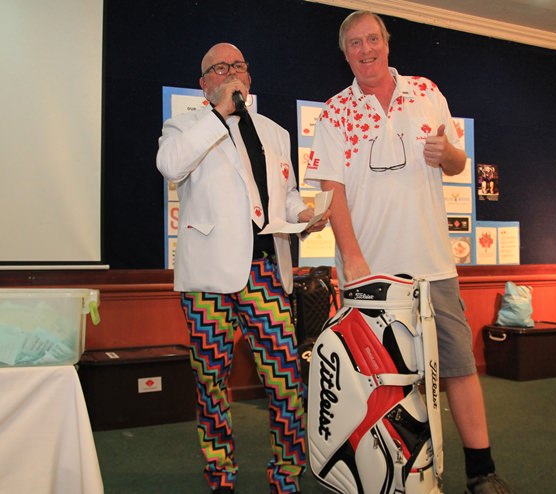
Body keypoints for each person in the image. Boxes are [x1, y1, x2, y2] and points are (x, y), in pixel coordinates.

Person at [304, 11, 512, 494]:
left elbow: (456, 160)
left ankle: (481, 471)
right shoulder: (334, 112)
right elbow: (332, 191)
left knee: (458, 367)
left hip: (433, 266)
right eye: (355, 43)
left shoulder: (426, 91)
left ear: (387, 42)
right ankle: (390, 473)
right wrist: (353, 261)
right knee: (380, 380)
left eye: (372, 39)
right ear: (345, 54)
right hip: (371, 276)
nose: (366, 49)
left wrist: (449, 156)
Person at [157, 42, 328, 494]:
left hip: (266, 271)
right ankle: (221, 475)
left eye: (238, 66)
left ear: (249, 77)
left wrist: (304, 214)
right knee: (210, 383)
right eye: (220, 68)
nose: (232, 73)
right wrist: (217, 113)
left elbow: (285, 195)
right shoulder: (183, 126)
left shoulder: (275, 132)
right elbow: (170, 166)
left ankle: (287, 474)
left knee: (286, 381)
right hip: (207, 279)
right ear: (204, 84)